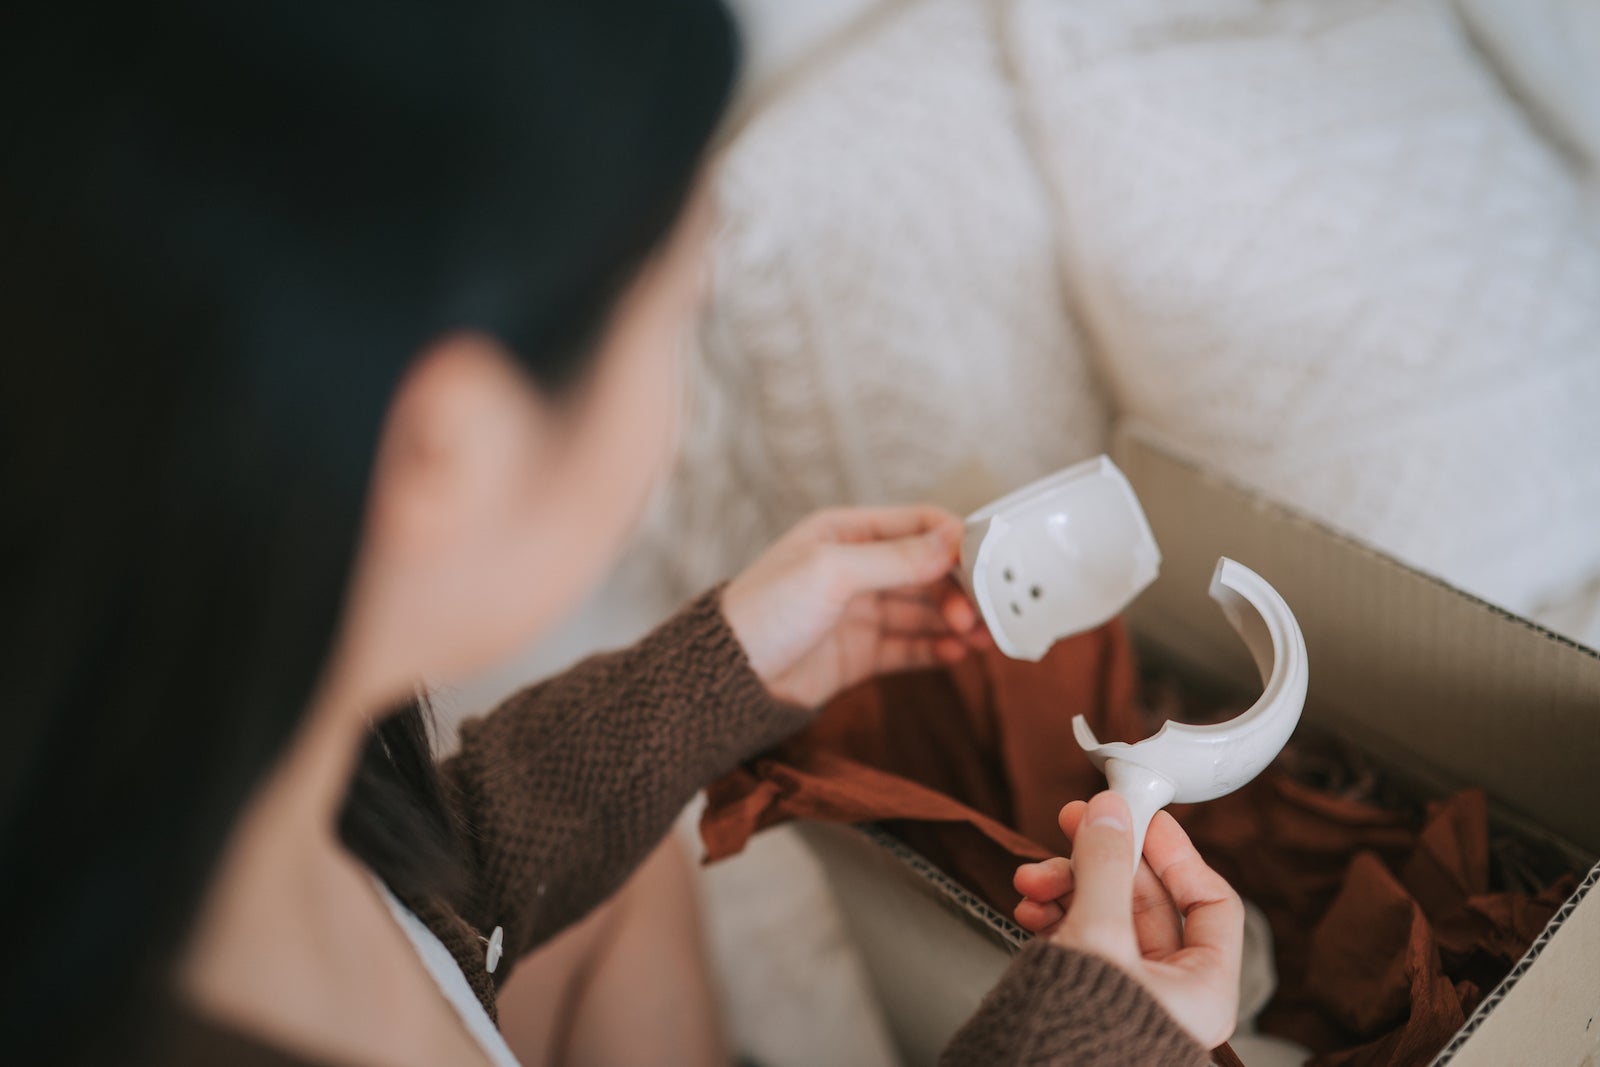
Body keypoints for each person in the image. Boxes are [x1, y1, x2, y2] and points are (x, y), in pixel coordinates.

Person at [0, 3, 1244, 1065]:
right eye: (677, 311)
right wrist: (1083, 1036)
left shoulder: (190, 764)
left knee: (626, 857)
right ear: (443, 449)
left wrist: (719, 670)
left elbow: (438, 899)